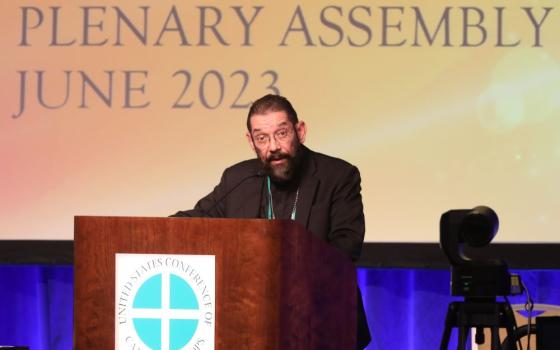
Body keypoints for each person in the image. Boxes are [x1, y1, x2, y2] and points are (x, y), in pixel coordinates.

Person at [172, 94, 371, 349]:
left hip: (323, 320)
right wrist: (151, 232)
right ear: (251, 141)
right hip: (247, 321)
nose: (273, 146)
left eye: (281, 133)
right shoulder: (237, 179)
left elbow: (346, 246)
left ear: (300, 131)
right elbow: (197, 220)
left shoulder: (338, 176)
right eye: (262, 138)